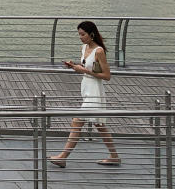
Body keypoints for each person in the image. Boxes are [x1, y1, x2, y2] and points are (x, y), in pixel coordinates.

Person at [49, 21, 121, 168]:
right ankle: (114, 156)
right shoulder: (84, 48)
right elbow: (85, 67)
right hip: (86, 88)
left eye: (83, 34)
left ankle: (63, 157)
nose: (80, 37)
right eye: (79, 34)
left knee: (77, 121)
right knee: (99, 124)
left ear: (91, 34)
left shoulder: (99, 51)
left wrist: (83, 70)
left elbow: (107, 76)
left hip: (95, 90)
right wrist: (74, 65)